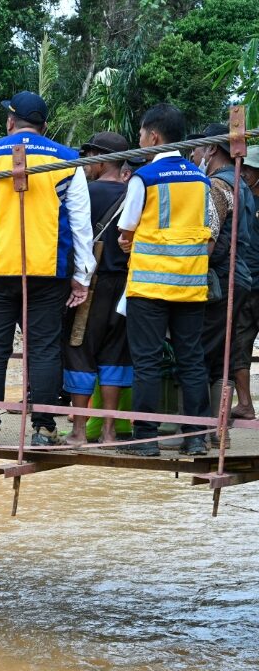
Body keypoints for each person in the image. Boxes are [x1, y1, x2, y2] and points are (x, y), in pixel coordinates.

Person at [0, 91, 93, 446]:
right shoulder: (66, 159)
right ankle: (44, 429)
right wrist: (83, 275)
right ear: (44, 126)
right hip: (49, 270)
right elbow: (80, 221)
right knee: (44, 348)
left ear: (10, 122)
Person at [116, 103, 212, 457]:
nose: (139, 139)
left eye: (142, 133)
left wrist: (127, 240)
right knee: (192, 360)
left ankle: (145, 439)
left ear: (154, 136)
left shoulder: (144, 177)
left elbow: (127, 228)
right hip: (190, 284)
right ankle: (196, 437)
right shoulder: (201, 178)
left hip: (149, 286)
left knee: (147, 362)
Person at [62, 131, 134, 446]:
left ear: (102, 160)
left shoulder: (84, 192)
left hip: (89, 283)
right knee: (115, 354)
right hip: (126, 286)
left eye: (89, 157)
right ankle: (109, 431)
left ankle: (79, 430)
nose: (86, 164)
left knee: (79, 350)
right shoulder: (135, 193)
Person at [189, 123, 256, 442]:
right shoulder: (242, 183)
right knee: (221, 355)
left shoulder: (216, 185)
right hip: (240, 278)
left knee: (202, 353)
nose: (194, 156)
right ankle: (218, 433)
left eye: (197, 149)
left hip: (221, 280)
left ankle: (203, 431)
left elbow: (209, 242)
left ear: (212, 149)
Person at [230, 145, 259, 419]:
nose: (245, 173)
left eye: (250, 169)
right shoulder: (242, 198)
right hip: (247, 284)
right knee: (240, 344)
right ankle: (245, 404)